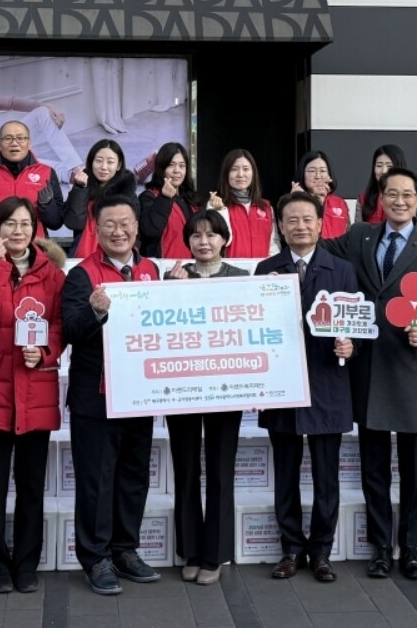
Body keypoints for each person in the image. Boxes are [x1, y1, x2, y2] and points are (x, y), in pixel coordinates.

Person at [320, 168, 417, 581]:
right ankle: (381, 546)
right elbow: (318, 249)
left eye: (407, 195)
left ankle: (410, 547)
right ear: (380, 197)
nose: (399, 201)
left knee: (414, 468)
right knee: (373, 465)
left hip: (410, 364)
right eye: (392, 194)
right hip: (369, 366)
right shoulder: (359, 235)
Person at [0, 197, 66, 595]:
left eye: (25, 224)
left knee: (31, 486)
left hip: (35, 390)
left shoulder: (53, 275)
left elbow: (58, 324)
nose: (18, 231)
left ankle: (26, 564)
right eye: (10, 224)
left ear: (36, 229)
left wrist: (48, 350)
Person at [62, 195, 162, 595]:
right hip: (96, 396)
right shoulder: (81, 275)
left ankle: (125, 550)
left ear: (137, 227)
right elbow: (69, 331)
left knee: (133, 477)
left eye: (125, 224)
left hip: (140, 393)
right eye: (109, 225)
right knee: (95, 480)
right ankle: (96, 557)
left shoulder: (152, 270)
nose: (118, 231)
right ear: (96, 230)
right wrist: (95, 313)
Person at [256, 192, 357, 584]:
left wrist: (352, 344)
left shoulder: (343, 270)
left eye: (307, 219)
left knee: (326, 474)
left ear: (321, 223)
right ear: (280, 226)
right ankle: (290, 548)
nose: (300, 226)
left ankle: (322, 551)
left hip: (327, 381)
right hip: (280, 383)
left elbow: (356, 321)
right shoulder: (267, 269)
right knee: (285, 472)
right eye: (291, 220)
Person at [163, 210, 249, 585]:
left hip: (225, 387)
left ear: (224, 239)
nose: (203, 242)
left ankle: (215, 554)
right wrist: (171, 291)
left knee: (219, 470)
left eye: (211, 235)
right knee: (185, 469)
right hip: (181, 387)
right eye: (196, 235)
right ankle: (191, 551)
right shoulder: (172, 278)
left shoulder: (242, 279)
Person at [0, 120, 65, 237]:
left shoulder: (47, 173)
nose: (14, 143)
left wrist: (47, 205)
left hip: (35, 249)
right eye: (8, 138)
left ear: (29, 143)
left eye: (21, 138)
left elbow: (56, 223)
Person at [64, 139, 138, 257]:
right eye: (99, 161)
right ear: (91, 162)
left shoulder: (128, 194)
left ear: (118, 165)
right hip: (82, 258)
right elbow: (74, 224)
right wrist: (80, 190)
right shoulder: (81, 188)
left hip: (116, 260)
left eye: (110, 162)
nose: (104, 167)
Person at [208, 149, 278, 259]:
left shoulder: (266, 207)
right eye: (234, 169)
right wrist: (218, 211)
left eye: (246, 169)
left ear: (253, 173)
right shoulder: (217, 204)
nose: (240, 174)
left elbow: (273, 244)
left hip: (261, 272)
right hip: (231, 272)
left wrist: (272, 267)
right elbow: (222, 241)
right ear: (226, 173)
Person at [138, 142, 201, 259]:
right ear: (161, 168)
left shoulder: (190, 200)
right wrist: (164, 198)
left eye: (182, 166)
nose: (177, 170)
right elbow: (149, 231)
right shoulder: (149, 197)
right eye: (171, 165)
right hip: (162, 271)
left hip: (190, 270)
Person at [292, 150, 351, 239]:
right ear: (302, 174)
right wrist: (296, 201)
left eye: (323, 171)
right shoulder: (294, 201)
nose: (318, 176)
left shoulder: (340, 203)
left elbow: (348, 237)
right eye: (312, 171)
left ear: (329, 175)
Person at [356, 144, 405, 225]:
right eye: (379, 165)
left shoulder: (411, 197)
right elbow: (358, 232)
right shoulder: (363, 199)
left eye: (389, 166)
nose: (384, 171)